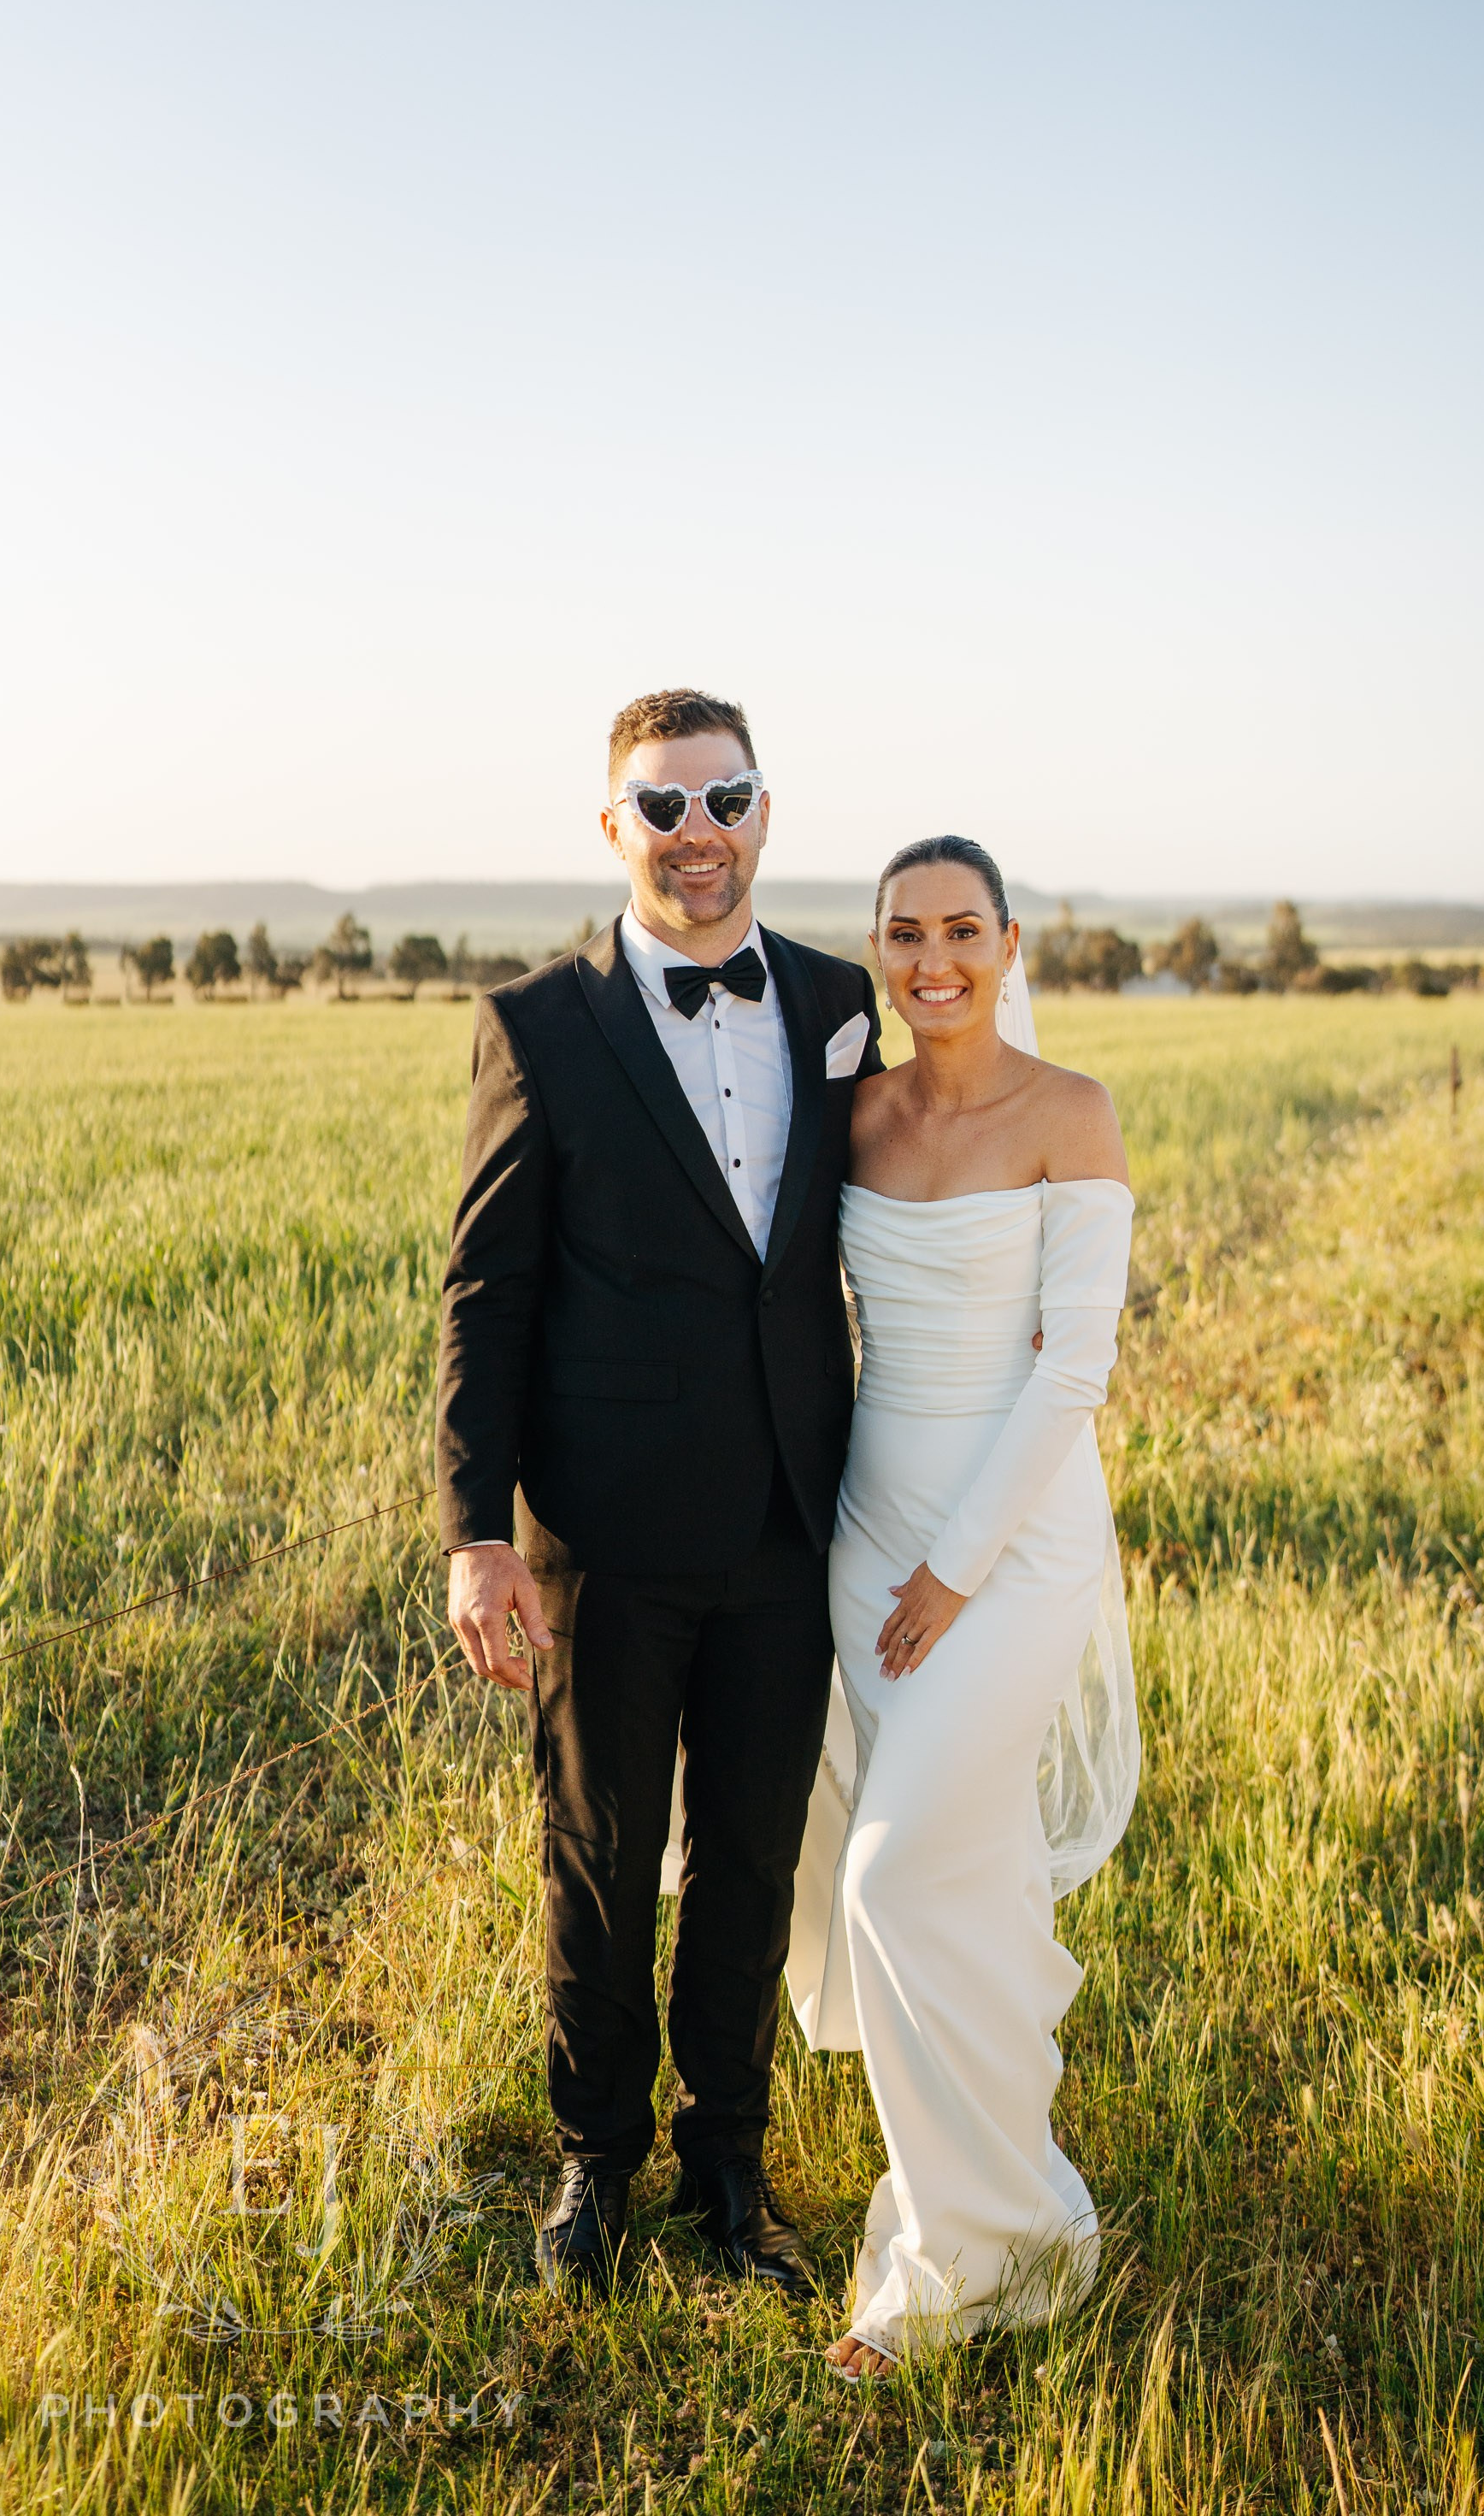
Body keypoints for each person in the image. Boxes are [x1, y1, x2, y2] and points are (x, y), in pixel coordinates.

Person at [435, 687, 883, 2296]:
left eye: (728, 799)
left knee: (756, 1862)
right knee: (601, 1854)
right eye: (664, 805)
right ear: (613, 825)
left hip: (789, 1522)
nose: (699, 835)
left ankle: (730, 2171)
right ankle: (593, 2165)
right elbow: (487, 1294)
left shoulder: (838, 1003)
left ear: (766, 813)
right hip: (603, 1542)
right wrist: (479, 1533)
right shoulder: (537, 1022)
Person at [782, 834, 1140, 2377]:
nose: (935, 960)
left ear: (1009, 944)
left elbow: (1074, 1366)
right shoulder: (852, 1115)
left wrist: (958, 1569)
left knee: (887, 1880)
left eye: (963, 931)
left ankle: (945, 2271)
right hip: (871, 1537)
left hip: (1010, 1550)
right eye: (905, 933)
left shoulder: (1073, 1116)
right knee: (962, 1878)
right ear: (878, 947)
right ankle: (1025, 2223)